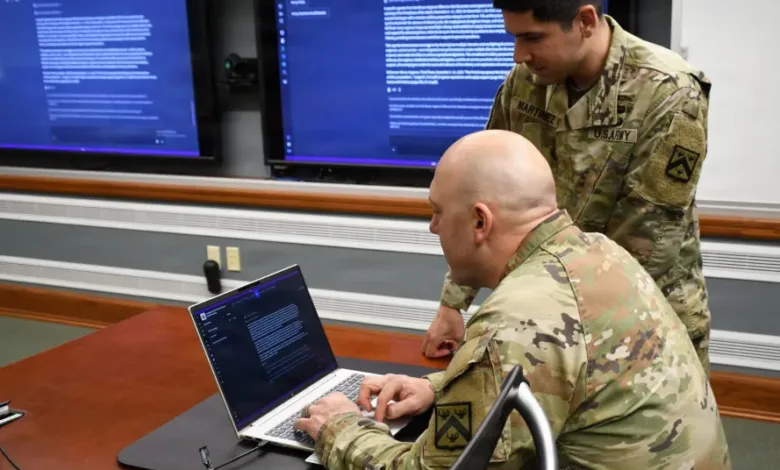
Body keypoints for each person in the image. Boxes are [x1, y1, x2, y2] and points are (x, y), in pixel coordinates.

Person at [294, 130, 730, 469]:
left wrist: (339, 427)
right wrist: (438, 387)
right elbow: (561, 375)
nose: (432, 227)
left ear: (480, 221)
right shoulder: (598, 251)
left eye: (438, 212)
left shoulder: (517, 320)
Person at [422, 0, 714, 377]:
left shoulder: (669, 92)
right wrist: (453, 304)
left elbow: (648, 242)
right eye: (514, 37)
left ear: (585, 21)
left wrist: (542, 324)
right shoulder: (526, 84)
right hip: (546, 315)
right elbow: (479, 190)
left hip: (640, 317)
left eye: (532, 37)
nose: (520, 54)